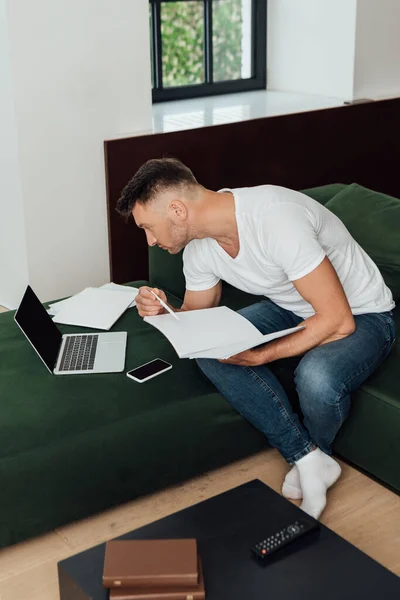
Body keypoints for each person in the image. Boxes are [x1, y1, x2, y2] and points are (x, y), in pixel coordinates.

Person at [116, 158, 395, 518]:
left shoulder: (274, 219)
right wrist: (164, 307)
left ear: (177, 209)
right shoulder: (201, 248)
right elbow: (197, 323)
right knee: (209, 349)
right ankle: (307, 457)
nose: (151, 241)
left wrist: (261, 355)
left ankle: (317, 455)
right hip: (294, 308)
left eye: (148, 228)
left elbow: (338, 321)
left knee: (316, 377)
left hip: (364, 313)